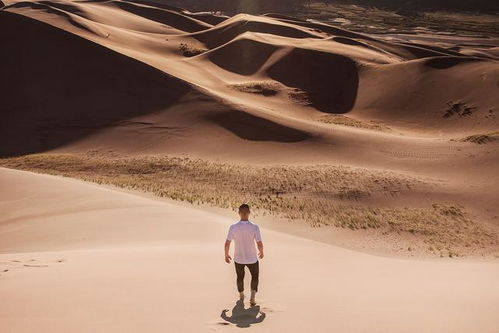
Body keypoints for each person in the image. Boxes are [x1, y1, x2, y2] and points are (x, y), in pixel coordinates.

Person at [224, 204, 264, 306]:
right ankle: (253, 298)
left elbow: (227, 243)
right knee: (255, 276)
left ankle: (241, 295)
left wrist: (226, 254)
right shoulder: (254, 227)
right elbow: (259, 243)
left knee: (240, 277)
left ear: (239, 213)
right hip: (252, 258)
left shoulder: (233, 227)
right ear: (249, 213)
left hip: (239, 258)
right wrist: (262, 251)